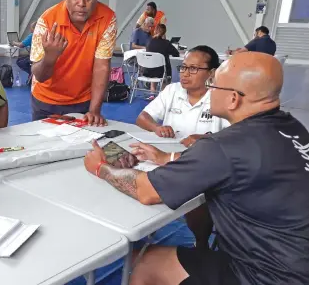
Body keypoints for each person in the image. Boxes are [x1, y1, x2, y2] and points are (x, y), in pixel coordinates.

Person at [84, 52, 309, 285]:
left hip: (266, 275)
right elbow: (235, 164)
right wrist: (167, 157)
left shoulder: (224, 146)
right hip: (295, 260)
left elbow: (146, 190)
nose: (209, 90)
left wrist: (101, 167)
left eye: (214, 85)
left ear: (233, 99)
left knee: (145, 262)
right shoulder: (294, 129)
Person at [30, 0, 117, 125]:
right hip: (46, 100)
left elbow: (101, 67)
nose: (81, 4)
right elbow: (39, 76)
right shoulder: (47, 21)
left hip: (83, 101)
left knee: (83, 149)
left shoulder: (107, 18)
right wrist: (50, 58)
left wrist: (95, 110)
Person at [136, 45, 229, 147]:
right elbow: (142, 118)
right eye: (183, 67)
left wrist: (207, 139)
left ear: (211, 73)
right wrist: (157, 127)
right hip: (169, 153)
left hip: (205, 157)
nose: (185, 74)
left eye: (193, 68)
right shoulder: (172, 90)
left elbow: (239, 136)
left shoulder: (222, 97)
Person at [144, 23, 180, 94]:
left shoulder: (149, 42)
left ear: (155, 31)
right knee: (165, 71)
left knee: (154, 69)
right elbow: (176, 54)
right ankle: (163, 93)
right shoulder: (166, 43)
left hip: (148, 70)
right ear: (164, 33)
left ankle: (152, 93)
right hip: (162, 72)